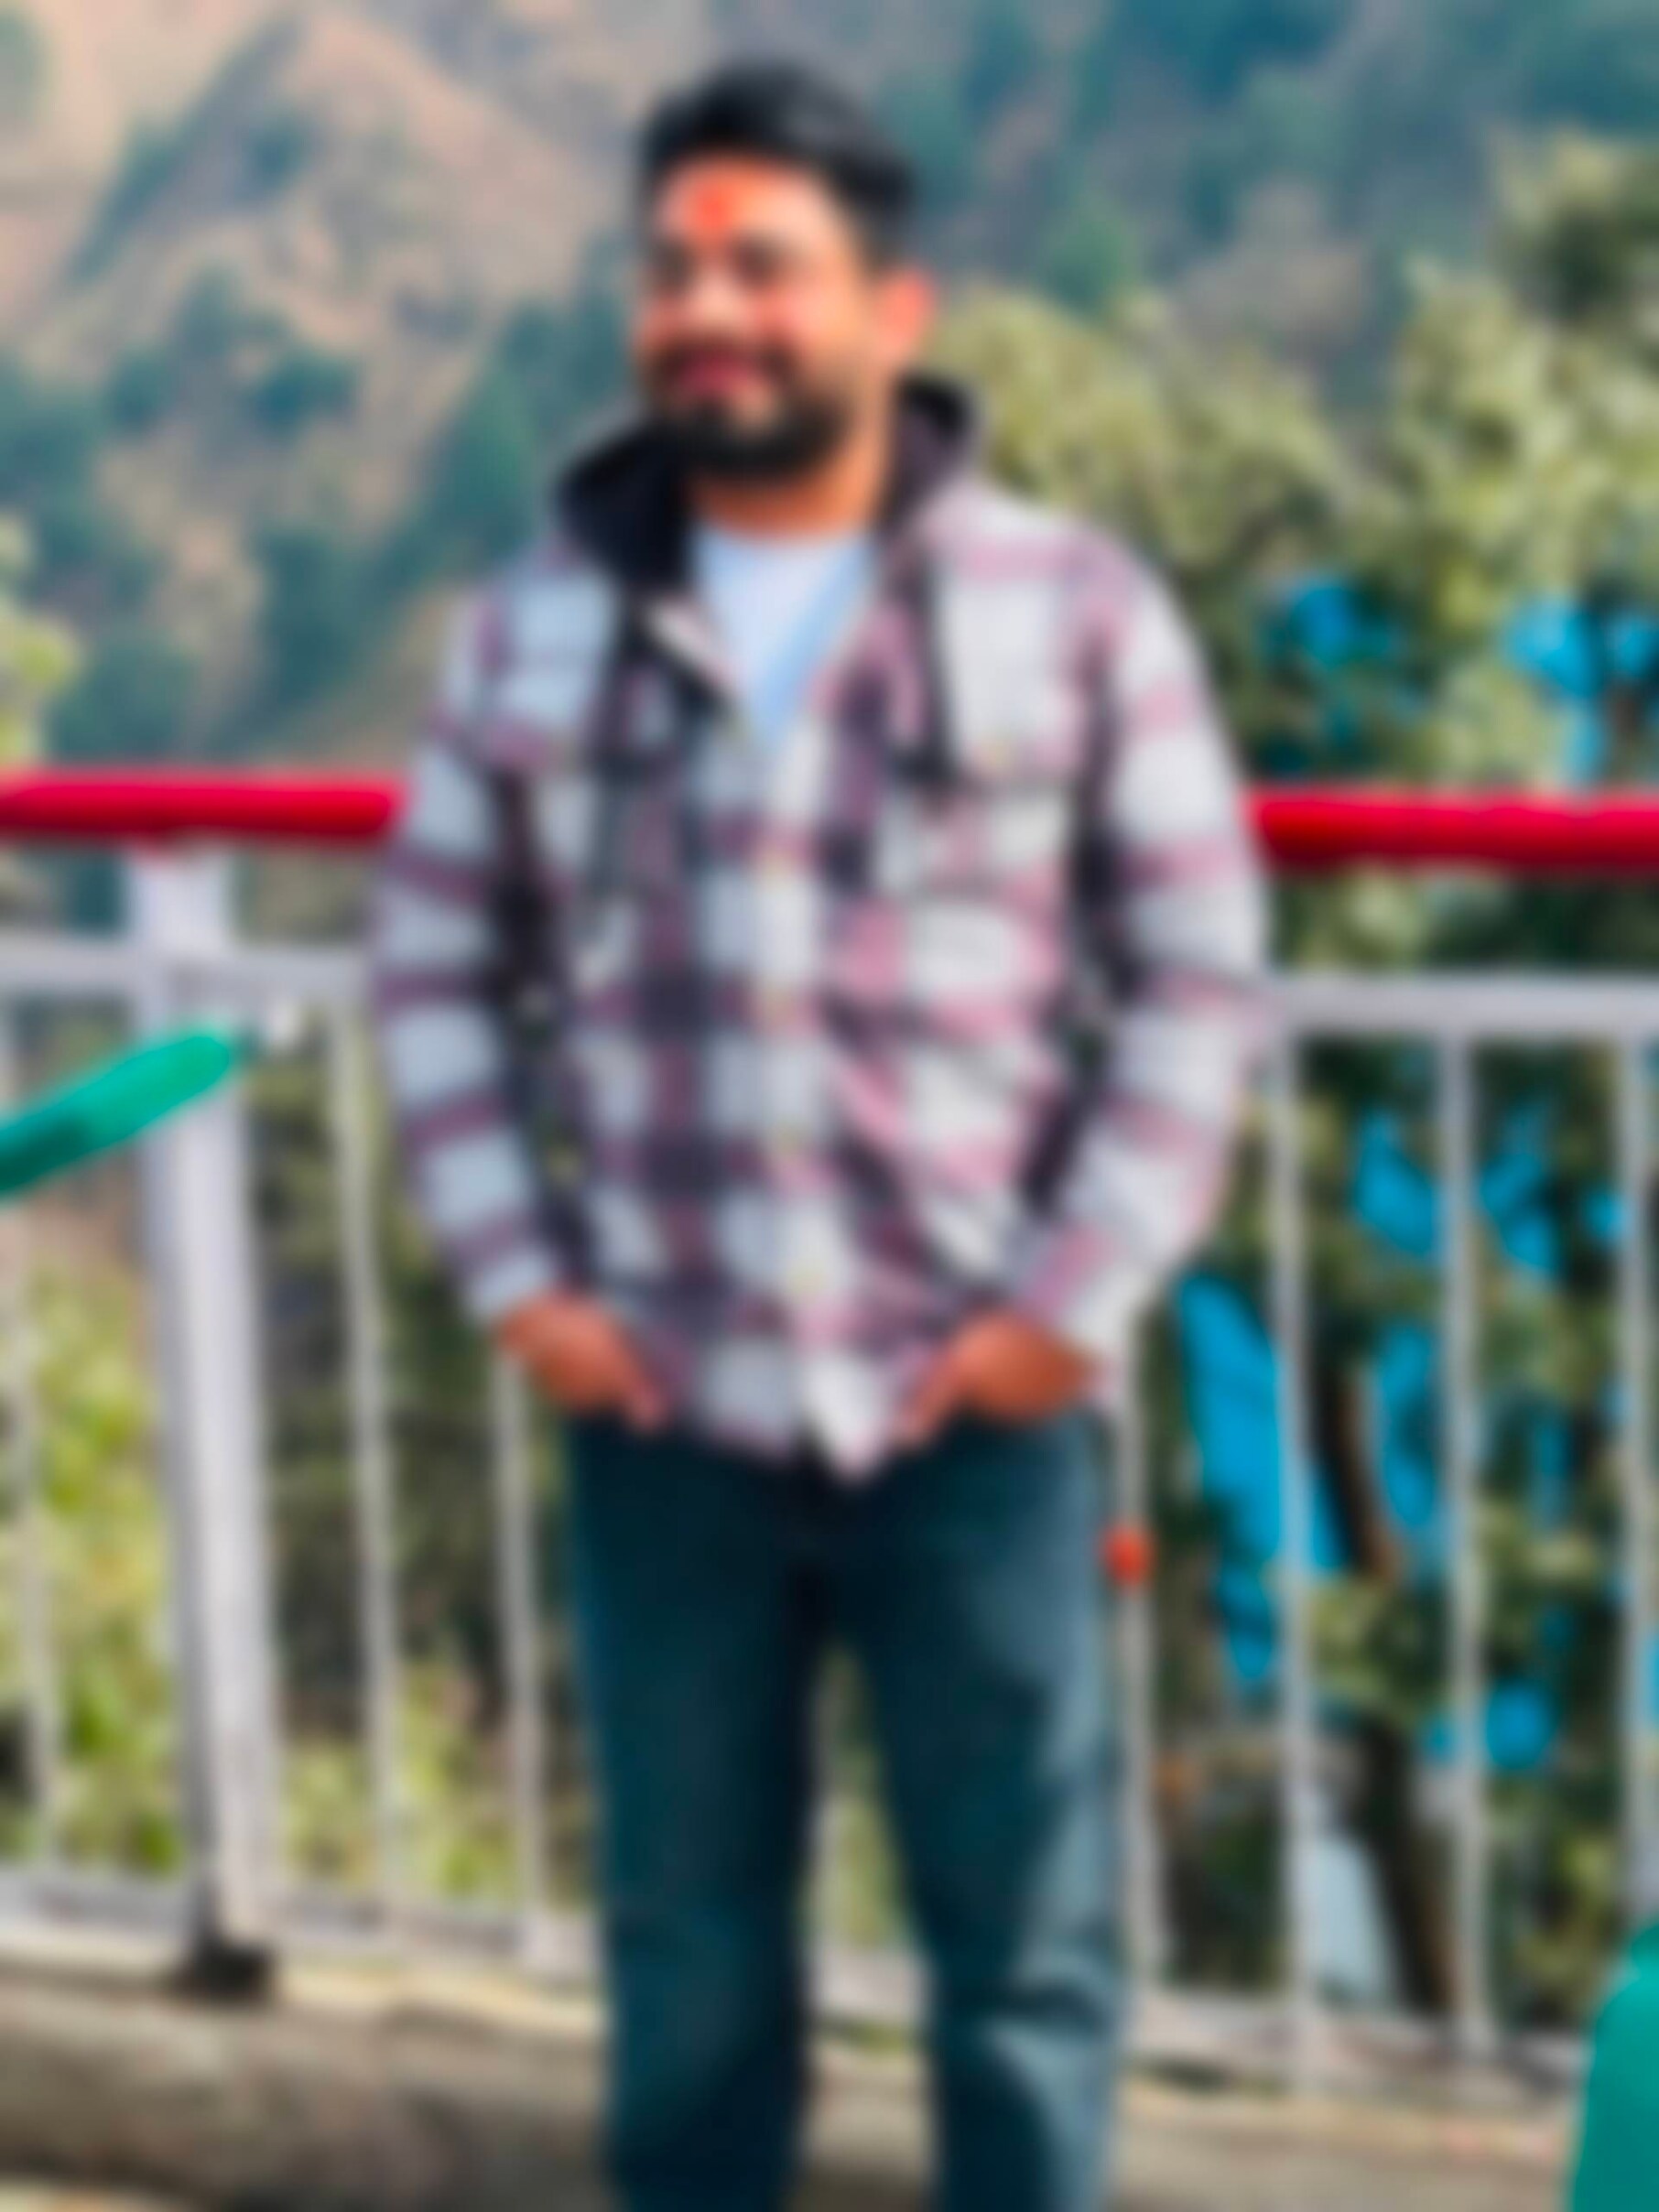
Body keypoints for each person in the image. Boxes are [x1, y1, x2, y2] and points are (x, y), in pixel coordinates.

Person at [367, 58, 1265, 2212]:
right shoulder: (533, 625)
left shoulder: (1072, 612)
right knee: (686, 1952)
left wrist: (1066, 1307)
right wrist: (524, 1284)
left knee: (1026, 1959)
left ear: (893, 310)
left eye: (765, 268)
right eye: (671, 272)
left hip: (973, 1417)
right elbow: (430, 969)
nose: (709, 313)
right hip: (664, 1410)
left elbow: (1196, 975)